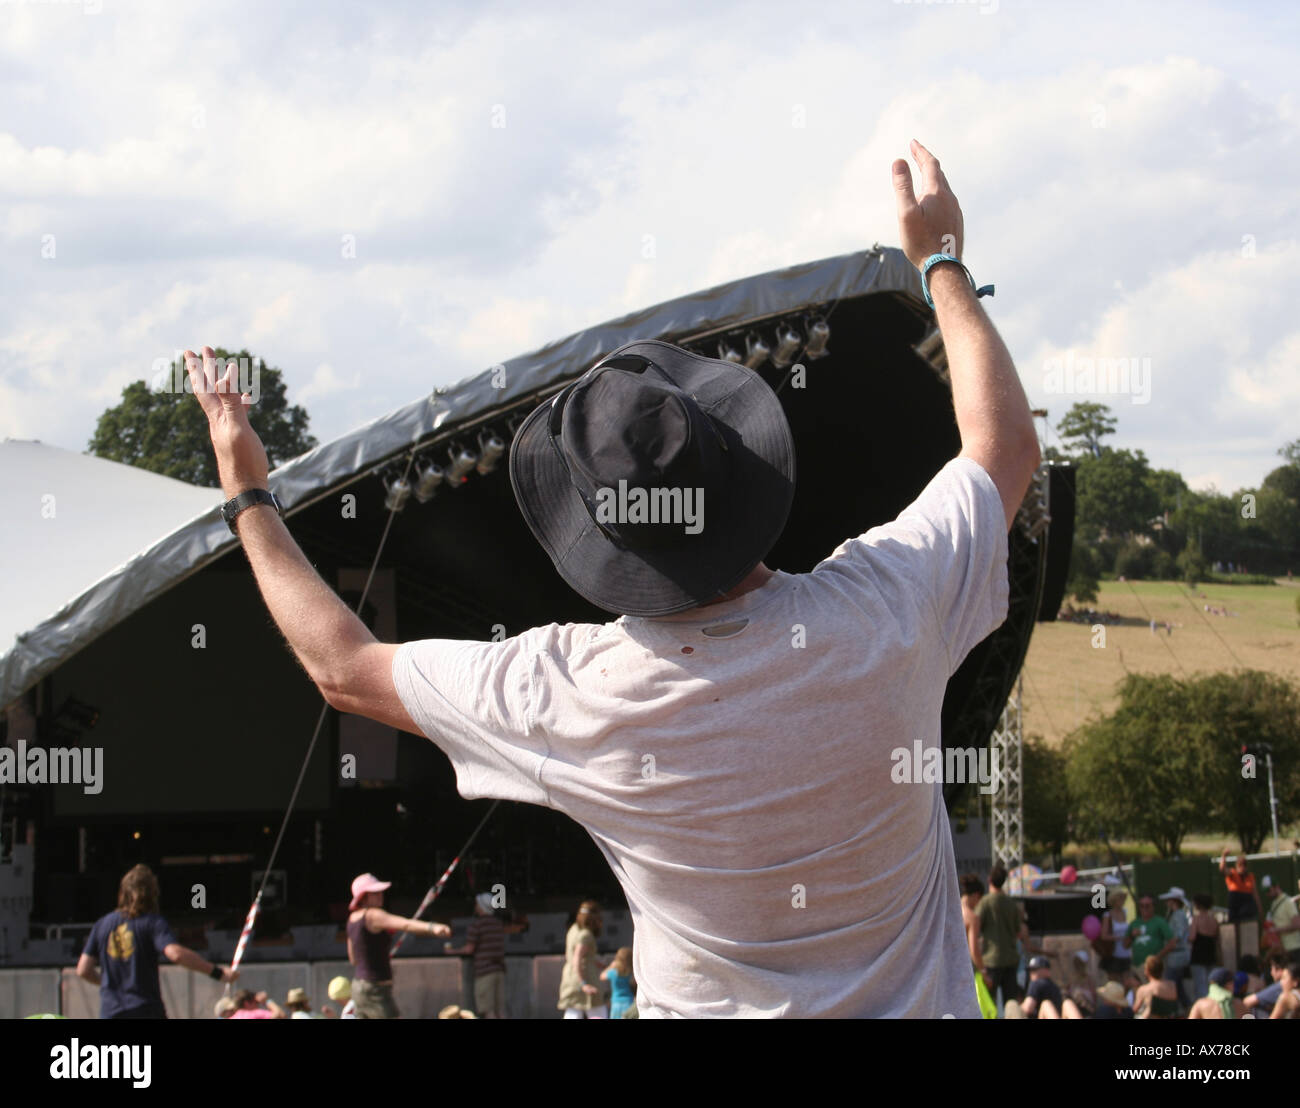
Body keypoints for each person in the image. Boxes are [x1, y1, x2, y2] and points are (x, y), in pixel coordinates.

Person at [183, 138, 1040, 1018]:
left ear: (600, 542)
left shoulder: (572, 692)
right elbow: (1003, 447)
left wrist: (245, 485)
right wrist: (940, 261)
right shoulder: (888, 606)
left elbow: (343, 667)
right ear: (739, 468)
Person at [76, 863, 237, 1019]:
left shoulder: (102, 924)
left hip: (110, 1012)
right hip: (145, 1010)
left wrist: (107, 984)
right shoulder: (152, 922)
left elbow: (83, 970)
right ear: (152, 893)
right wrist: (218, 972)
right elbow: (176, 954)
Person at [347, 872, 452, 1019]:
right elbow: (405, 924)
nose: (380, 895)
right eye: (375, 893)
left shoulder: (352, 919)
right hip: (375, 988)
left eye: (380, 892)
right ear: (363, 897)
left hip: (359, 986)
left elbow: (353, 959)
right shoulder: (373, 915)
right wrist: (432, 928)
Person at [444, 892, 508, 1019]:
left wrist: (452, 951)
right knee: (500, 1010)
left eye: (477, 904)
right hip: (499, 970)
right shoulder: (498, 924)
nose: (475, 907)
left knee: (488, 1011)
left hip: (484, 972)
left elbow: (469, 949)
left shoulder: (477, 925)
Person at [977, 865, 1029, 1015]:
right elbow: (1018, 932)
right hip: (1010, 960)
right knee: (1010, 1005)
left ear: (989, 880)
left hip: (991, 961)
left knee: (990, 1006)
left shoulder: (985, 902)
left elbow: (975, 926)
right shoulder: (1011, 904)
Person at [558, 901, 607, 1019]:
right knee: (597, 1010)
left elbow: (572, 955)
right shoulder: (586, 935)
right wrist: (583, 983)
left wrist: (595, 962)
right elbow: (578, 957)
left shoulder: (573, 929)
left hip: (570, 977)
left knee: (573, 1011)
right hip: (585, 978)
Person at [1124, 894, 1175, 980]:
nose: (1144, 908)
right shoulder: (1135, 923)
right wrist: (1132, 936)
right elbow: (1125, 945)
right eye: (1141, 906)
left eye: (1147, 906)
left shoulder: (1160, 922)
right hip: (1137, 967)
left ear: (1153, 907)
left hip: (1154, 968)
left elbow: (1172, 943)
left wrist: (1156, 958)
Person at [1158, 886, 1191, 1006]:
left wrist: (1163, 952)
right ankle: (1186, 1006)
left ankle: (1174, 1009)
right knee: (1178, 986)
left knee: (1170, 984)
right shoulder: (1175, 915)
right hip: (1175, 955)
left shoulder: (1178, 915)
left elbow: (1178, 936)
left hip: (1177, 956)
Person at [1220, 850, 1262, 922]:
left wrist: (1260, 909)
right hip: (1235, 904)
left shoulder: (1250, 877)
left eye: (1244, 865)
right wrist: (1224, 856)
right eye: (1240, 865)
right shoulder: (1232, 874)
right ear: (1236, 865)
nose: (1242, 867)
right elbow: (1222, 869)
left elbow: (1255, 894)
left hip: (1247, 906)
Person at [1098, 887, 1131, 979]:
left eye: (1123, 898)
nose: (1122, 901)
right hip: (1113, 954)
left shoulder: (1126, 912)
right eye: (1120, 898)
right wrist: (1119, 938)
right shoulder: (1107, 916)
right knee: (1114, 982)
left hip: (1126, 953)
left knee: (1127, 981)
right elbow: (1103, 936)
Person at [1242, 953, 1288, 1018]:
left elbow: (1247, 1001)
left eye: (1272, 968)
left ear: (1279, 970)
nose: (1271, 972)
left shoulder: (1281, 985)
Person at [1265, 876, 1300, 956]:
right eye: (1266, 892)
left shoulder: (1288, 902)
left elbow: (1297, 924)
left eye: (1269, 890)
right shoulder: (1274, 904)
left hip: (1294, 948)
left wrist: (1276, 930)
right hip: (1281, 949)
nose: (1268, 894)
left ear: (1276, 887)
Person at [602, 946, 636, 1020]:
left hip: (616, 1003)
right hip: (629, 1002)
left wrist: (611, 966)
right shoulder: (631, 973)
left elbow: (602, 976)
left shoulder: (613, 973)